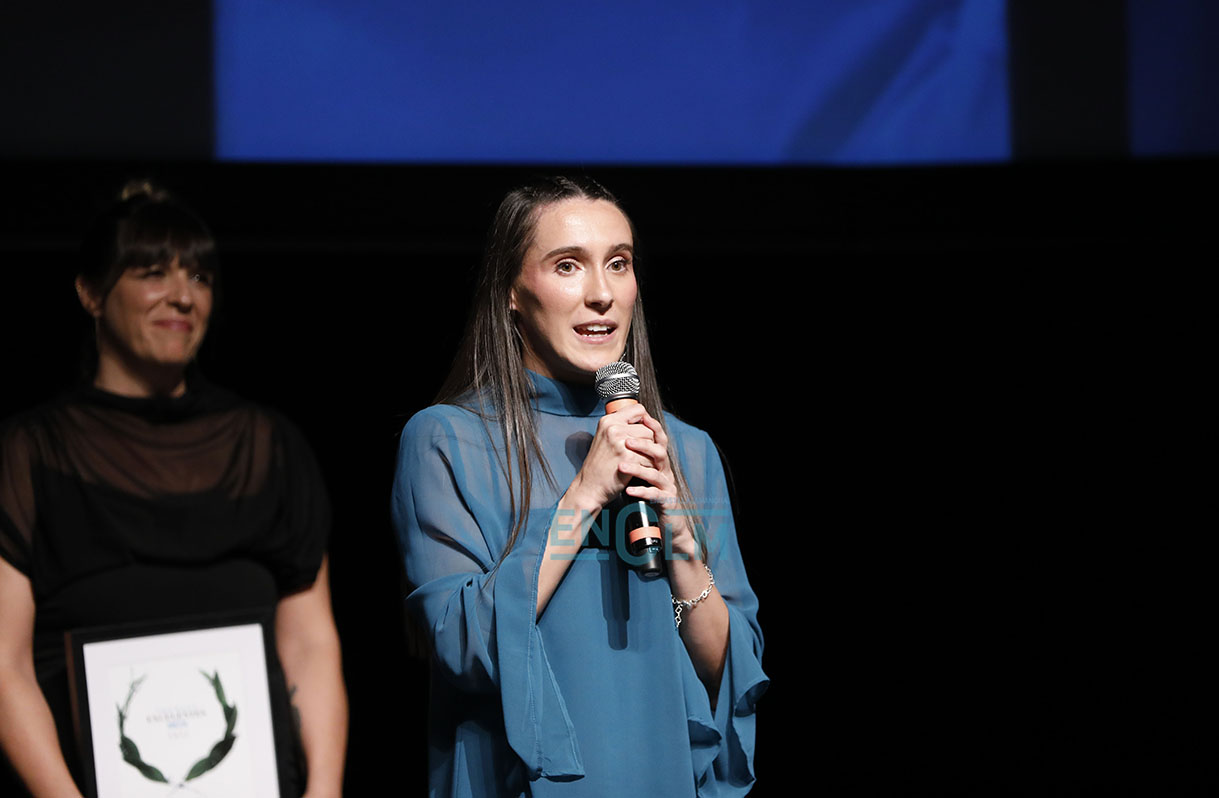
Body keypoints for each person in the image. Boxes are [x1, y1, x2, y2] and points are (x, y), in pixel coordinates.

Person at [391, 176, 766, 796]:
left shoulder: (684, 450)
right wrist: (582, 498)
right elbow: (462, 647)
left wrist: (680, 541)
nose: (602, 294)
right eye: (568, 265)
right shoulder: (445, 440)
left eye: (618, 264)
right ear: (512, 291)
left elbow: (728, 671)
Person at [0, 182, 347, 797]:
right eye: (153, 272)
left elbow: (311, 644)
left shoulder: (266, 445)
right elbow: (4, 666)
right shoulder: (30, 454)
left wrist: (323, 791)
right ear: (91, 292)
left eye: (201, 278)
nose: (182, 296)